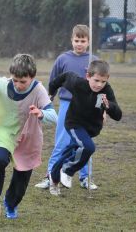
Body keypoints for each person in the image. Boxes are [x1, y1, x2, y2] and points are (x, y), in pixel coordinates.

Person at [0, 54, 57, 219]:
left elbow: (54, 116)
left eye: (23, 81)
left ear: (32, 77)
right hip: (6, 133)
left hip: (29, 137)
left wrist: (41, 113)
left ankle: (11, 204)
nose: (18, 85)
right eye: (15, 80)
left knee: (22, 176)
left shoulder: (38, 90)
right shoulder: (1, 84)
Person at [35, 24, 99, 190]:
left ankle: (86, 178)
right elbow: (54, 80)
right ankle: (51, 175)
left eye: (83, 40)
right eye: (76, 40)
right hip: (66, 105)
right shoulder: (62, 59)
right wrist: (49, 96)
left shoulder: (94, 61)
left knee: (84, 144)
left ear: (88, 42)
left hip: (86, 108)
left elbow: (101, 85)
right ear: (71, 40)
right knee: (62, 141)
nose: (79, 43)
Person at [47, 60, 122, 196]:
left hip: (91, 129)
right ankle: (67, 171)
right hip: (74, 124)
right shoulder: (78, 84)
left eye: (103, 81)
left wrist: (108, 106)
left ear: (107, 79)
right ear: (88, 76)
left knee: (70, 151)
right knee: (88, 148)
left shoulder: (106, 90)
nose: (99, 85)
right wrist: (52, 91)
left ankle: (54, 177)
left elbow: (118, 115)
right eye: (96, 80)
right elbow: (64, 76)